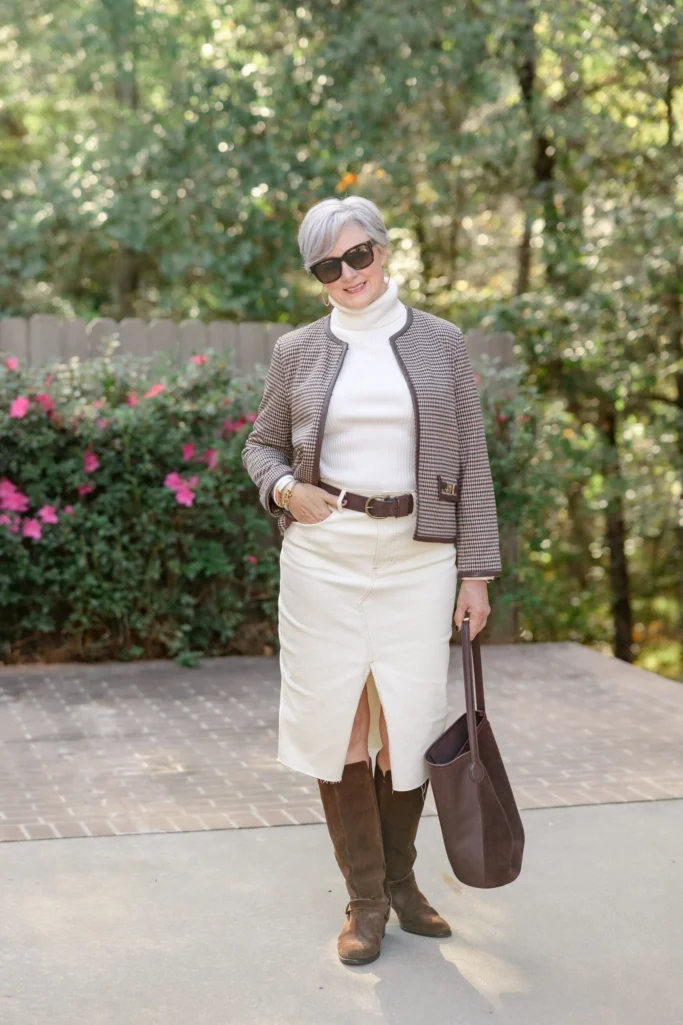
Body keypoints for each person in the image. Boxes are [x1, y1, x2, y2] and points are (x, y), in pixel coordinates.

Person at [241, 196, 501, 966]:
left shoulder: (440, 343)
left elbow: (473, 462)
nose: (349, 274)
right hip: (326, 554)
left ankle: (402, 881)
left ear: (384, 252)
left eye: (359, 255)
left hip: (420, 556)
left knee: (411, 722)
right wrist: (288, 490)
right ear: (316, 275)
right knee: (341, 725)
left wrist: (475, 571)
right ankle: (364, 901)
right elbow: (261, 446)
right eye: (330, 264)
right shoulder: (298, 350)